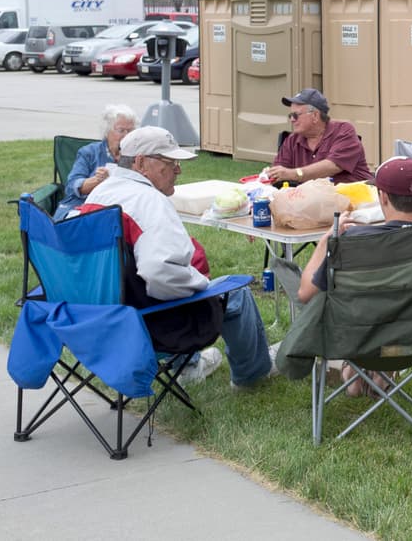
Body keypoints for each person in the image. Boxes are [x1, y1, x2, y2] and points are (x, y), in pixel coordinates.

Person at [84, 127, 275, 388]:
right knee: (236, 292)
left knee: (171, 286)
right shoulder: (149, 202)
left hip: (93, 320)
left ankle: (192, 364)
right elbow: (160, 274)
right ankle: (252, 374)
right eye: (170, 163)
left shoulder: (101, 193)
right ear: (140, 163)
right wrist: (201, 285)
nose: (178, 170)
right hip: (146, 326)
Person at [297, 156, 412, 396]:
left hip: (356, 341)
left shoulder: (354, 241)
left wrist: (326, 242)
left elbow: (305, 293)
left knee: (321, 295)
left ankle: (355, 371)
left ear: (383, 197)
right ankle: (381, 374)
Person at [264, 88, 372, 185]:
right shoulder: (292, 140)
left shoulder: (343, 131)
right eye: (290, 115)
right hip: (314, 201)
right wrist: (273, 174)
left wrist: (294, 174)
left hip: (356, 201)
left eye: (296, 115)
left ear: (315, 116)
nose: (292, 120)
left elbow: (333, 166)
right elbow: (279, 171)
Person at [54, 104, 137, 220]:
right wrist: (97, 180)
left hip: (122, 209)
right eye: (121, 130)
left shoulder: (138, 156)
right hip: (83, 206)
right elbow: (72, 186)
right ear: (107, 132)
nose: (127, 136)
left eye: (131, 131)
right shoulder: (89, 152)